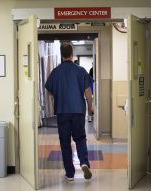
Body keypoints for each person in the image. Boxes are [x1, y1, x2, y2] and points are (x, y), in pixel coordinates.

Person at [45, 43, 93, 182]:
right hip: (78, 111)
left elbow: (48, 91)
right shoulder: (81, 70)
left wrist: (59, 93)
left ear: (61, 54)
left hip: (62, 111)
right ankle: (84, 162)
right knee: (80, 138)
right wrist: (91, 107)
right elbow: (88, 91)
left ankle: (70, 174)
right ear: (72, 53)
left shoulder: (55, 71)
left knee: (65, 143)